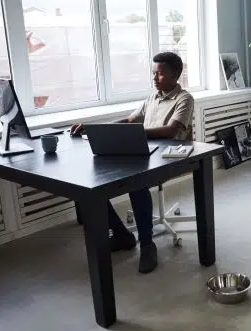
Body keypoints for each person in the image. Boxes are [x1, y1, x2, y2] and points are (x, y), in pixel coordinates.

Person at [70, 52, 194, 274]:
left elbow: (171, 130)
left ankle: (147, 244)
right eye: (153, 74)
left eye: (160, 74)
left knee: (137, 184)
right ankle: (121, 235)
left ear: (176, 75)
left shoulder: (184, 98)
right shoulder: (152, 98)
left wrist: (136, 133)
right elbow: (129, 121)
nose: (155, 78)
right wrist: (96, 128)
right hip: (145, 151)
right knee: (93, 181)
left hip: (170, 156)